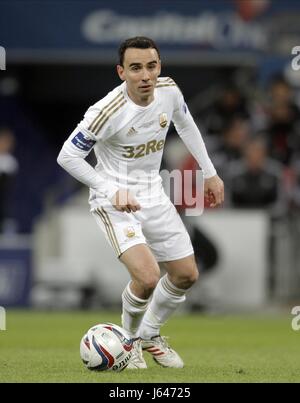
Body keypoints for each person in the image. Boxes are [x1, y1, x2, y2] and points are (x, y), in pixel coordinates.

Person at [57, 37, 224, 369]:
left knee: (186, 274)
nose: (145, 75)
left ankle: (149, 334)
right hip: (114, 200)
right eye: (135, 68)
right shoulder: (106, 112)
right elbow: (68, 155)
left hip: (153, 193)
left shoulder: (170, 91)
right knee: (147, 277)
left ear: (159, 66)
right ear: (122, 72)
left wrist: (210, 172)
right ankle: (129, 344)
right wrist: (109, 188)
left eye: (151, 66)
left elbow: (186, 123)